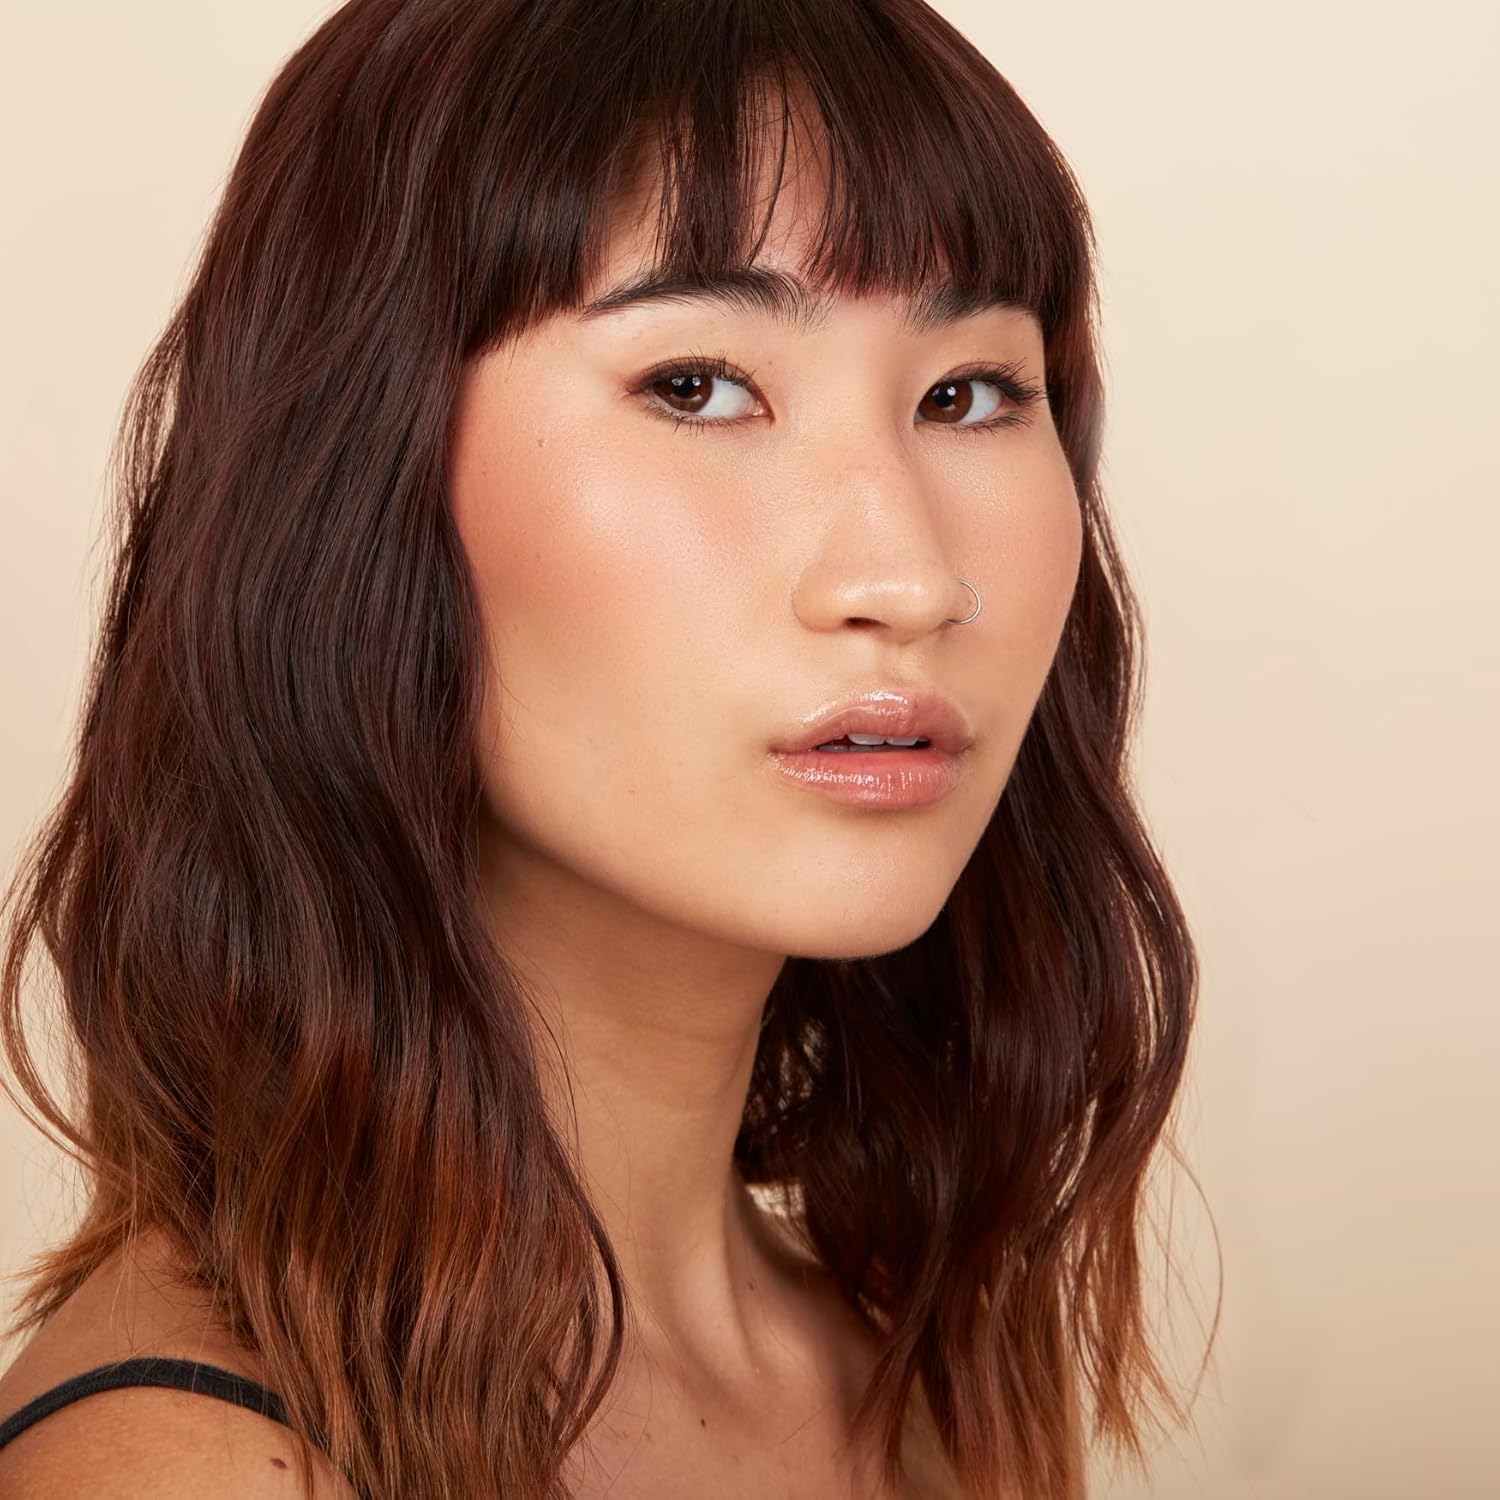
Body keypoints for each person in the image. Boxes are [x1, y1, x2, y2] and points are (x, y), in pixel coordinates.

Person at [0, 0, 1205, 1496]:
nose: (907, 578)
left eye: (967, 394)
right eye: (696, 385)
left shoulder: (928, 1374)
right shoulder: (197, 1465)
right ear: (353, 490)